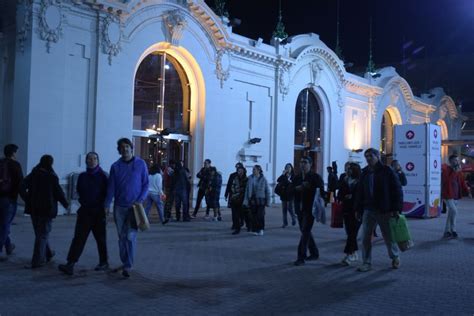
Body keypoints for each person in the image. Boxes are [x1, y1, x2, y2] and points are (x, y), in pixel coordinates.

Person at [58, 152, 109, 275]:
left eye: (94, 158)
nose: (92, 161)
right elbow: (79, 191)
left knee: (100, 239)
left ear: (98, 161)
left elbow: (107, 194)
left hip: (98, 212)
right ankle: (70, 263)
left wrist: (104, 208)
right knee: (78, 238)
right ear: (86, 161)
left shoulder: (103, 176)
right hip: (85, 212)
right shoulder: (82, 176)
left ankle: (104, 262)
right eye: (89, 159)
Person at [105, 138, 148, 278]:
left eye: (127, 146)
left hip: (134, 208)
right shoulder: (115, 167)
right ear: (119, 150)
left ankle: (128, 265)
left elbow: (146, 184)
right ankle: (125, 262)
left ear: (131, 148)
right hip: (119, 208)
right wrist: (107, 205)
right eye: (122, 147)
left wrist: (140, 200)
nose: (125, 149)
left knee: (130, 236)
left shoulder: (141, 164)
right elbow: (111, 187)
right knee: (121, 237)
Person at [354, 148, 403, 272]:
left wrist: (396, 208)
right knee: (365, 237)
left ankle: (395, 256)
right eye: (366, 156)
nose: (368, 159)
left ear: (377, 156)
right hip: (368, 209)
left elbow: (397, 190)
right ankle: (366, 262)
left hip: (383, 209)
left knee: (388, 235)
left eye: (371, 156)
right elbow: (360, 192)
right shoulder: (364, 172)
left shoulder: (387, 171)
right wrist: (358, 209)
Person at [20, 155, 69, 268]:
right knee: (42, 235)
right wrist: (66, 204)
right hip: (47, 210)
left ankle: (48, 253)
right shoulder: (52, 176)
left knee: (40, 234)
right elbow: (59, 193)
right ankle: (37, 261)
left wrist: (27, 199)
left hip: (34, 209)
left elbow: (22, 185)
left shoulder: (34, 173)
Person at [293, 156, 325, 266]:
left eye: (305, 162)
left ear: (310, 164)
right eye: (301, 162)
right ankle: (314, 252)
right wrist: (297, 189)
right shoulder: (297, 177)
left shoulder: (315, 177)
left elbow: (321, 192)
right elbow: (291, 190)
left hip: (310, 208)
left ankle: (301, 257)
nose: (302, 164)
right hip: (299, 208)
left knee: (305, 231)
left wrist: (309, 187)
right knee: (304, 230)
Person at [0, 144, 24, 261]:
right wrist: (26, 199)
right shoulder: (16, 165)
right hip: (9, 199)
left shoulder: (0, 162)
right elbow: (21, 184)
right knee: (5, 225)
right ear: (14, 153)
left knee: (2, 224)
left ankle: (8, 246)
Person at [337, 162, 362, 266]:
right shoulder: (344, 180)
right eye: (347, 168)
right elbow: (339, 194)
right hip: (347, 209)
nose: (347, 170)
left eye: (350, 168)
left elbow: (363, 195)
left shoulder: (360, 181)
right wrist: (344, 197)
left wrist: (353, 197)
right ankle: (354, 253)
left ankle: (349, 254)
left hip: (357, 210)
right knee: (350, 232)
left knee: (352, 233)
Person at [442, 155, 472, 239]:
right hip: (447, 195)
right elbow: (447, 180)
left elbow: (462, 182)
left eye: (457, 160)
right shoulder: (446, 169)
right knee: (454, 211)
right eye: (455, 160)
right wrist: (453, 171)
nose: (457, 162)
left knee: (451, 213)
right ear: (451, 161)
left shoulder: (459, 171)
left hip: (455, 195)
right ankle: (453, 230)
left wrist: (468, 192)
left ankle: (447, 231)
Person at [243, 165, 270, 236]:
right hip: (252, 199)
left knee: (260, 215)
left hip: (261, 200)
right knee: (253, 215)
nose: (253, 170)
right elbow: (247, 190)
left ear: (259, 170)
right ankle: (255, 229)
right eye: (253, 169)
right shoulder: (250, 178)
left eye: (254, 169)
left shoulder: (263, 179)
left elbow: (267, 191)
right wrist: (245, 201)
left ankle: (261, 229)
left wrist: (268, 201)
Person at [276, 163, 296, 228]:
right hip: (284, 194)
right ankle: (285, 223)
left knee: (290, 208)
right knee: (284, 210)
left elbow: (295, 184)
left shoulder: (293, 176)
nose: (288, 168)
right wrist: (283, 175)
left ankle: (293, 219)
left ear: (291, 168)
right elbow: (278, 180)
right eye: (286, 167)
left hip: (291, 195)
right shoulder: (284, 176)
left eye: (289, 167)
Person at [229, 166, 247, 234]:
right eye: (238, 171)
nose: (239, 172)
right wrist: (234, 192)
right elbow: (232, 187)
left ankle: (245, 224)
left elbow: (245, 189)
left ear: (243, 171)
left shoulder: (246, 179)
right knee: (235, 214)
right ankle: (237, 228)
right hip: (234, 198)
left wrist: (239, 191)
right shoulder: (235, 178)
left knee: (242, 214)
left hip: (242, 199)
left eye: (241, 171)